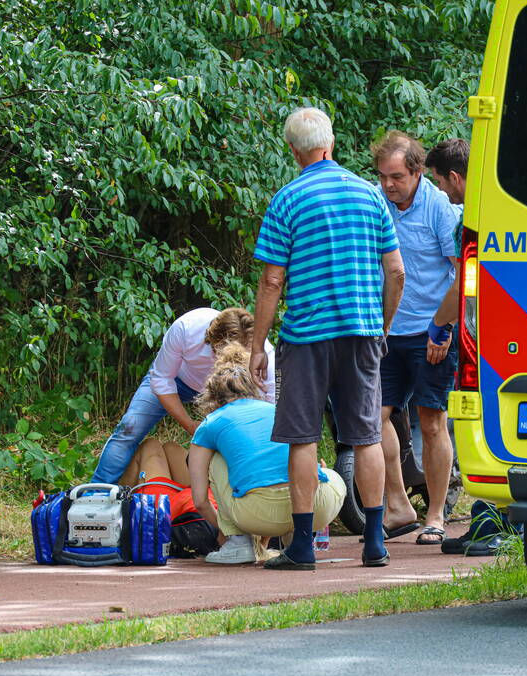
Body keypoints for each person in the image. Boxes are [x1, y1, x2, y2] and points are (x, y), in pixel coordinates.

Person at [249, 107, 407, 570]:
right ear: (330, 143)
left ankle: (302, 546)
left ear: (293, 150)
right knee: (366, 435)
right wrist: (382, 325)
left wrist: (258, 345)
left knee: (302, 439)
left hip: (307, 337)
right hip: (361, 333)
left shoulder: (287, 200)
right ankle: (374, 541)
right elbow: (396, 271)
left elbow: (272, 280)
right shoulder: (370, 195)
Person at [424, 137, 524, 556]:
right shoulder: (505, 207)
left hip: (487, 335)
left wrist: (438, 324)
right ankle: (489, 516)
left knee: (489, 421)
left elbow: (463, 284)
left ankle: (500, 520)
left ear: (455, 177)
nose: (441, 191)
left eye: (440, 182)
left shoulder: (475, 219)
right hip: (506, 332)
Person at [370, 131, 462, 546]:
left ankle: (436, 515)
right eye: (383, 176)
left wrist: (444, 326)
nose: (388, 184)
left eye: (396, 177)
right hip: (388, 330)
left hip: (431, 332)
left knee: (431, 421)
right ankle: (398, 506)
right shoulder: (377, 202)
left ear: (417, 172)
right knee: (374, 417)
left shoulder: (439, 206)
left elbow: (462, 272)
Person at [187, 343, 347, 564]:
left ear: (212, 398)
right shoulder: (278, 410)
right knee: (326, 473)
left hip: (259, 514)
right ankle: (298, 539)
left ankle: (238, 543)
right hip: (318, 506)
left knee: (216, 459)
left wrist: (228, 529)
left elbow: (200, 501)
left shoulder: (210, 423)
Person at [91, 307, 275, 484]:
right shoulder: (187, 327)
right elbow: (162, 379)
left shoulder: (265, 355)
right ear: (212, 342)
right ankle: (97, 492)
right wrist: (190, 425)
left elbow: (269, 411)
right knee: (130, 427)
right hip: (176, 378)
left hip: (227, 389)